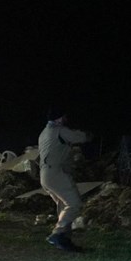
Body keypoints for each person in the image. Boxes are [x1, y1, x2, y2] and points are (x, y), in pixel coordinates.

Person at [38, 107, 90, 252]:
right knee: (74, 204)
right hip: (55, 173)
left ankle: (65, 240)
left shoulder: (44, 132)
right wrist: (89, 134)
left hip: (45, 175)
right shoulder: (59, 130)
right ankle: (57, 234)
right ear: (59, 118)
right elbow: (80, 137)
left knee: (63, 206)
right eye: (65, 117)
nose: (66, 120)